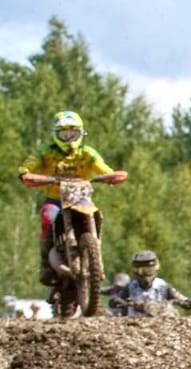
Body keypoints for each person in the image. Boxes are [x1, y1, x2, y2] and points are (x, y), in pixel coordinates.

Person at [17, 111, 128, 291]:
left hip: (82, 200)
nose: (69, 137)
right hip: (55, 200)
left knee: (98, 216)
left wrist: (111, 176)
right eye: (64, 133)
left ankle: (95, 263)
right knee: (48, 218)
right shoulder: (45, 152)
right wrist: (26, 174)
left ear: (81, 133)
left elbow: (104, 169)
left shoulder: (87, 153)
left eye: (73, 133)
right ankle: (46, 265)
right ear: (56, 134)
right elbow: (27, 167)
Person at [123, 251, 191, 316]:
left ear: (156, 268)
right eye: (141, 270)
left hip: (162, 322)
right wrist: (122, 302)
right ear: (135, 271)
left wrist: (188, 302)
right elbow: (118, 299)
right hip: (135, 323)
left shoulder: (162, 285)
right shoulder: (130, 287)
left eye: (149, 270)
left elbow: (180, 298)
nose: (145, 274)